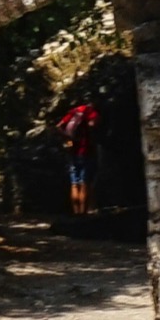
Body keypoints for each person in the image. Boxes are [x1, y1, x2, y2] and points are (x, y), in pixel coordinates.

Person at [50, 89, 102, 221]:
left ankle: (76, 213)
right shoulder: (91, 112)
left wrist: (69, 138)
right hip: (85, 151)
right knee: (84, 182)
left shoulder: (74, 111)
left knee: (74, 183)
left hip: (72, 152)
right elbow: (92, 125)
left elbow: (58, 126)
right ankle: (83, 214)